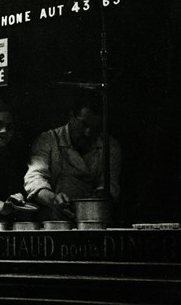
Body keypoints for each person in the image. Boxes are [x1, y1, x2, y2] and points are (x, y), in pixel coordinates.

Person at [24, 90, 121, 219]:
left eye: (96, 127)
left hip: (93, 218)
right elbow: (35, 179)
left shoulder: (110, 146)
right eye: (84, 124)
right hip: (54, 220)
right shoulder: (48, 140)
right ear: (71, 116)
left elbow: (110, 183)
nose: (88, 133)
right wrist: (53, 198)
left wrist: (96, 198)